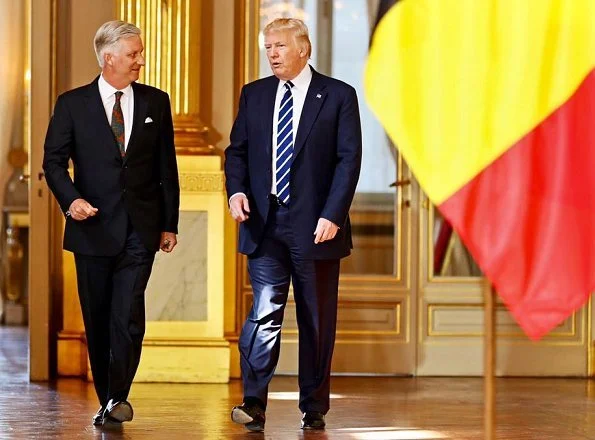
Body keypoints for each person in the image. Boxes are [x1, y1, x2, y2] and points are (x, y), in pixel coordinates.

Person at [225, 17, 362, 432]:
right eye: (268, 47)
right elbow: (237, 152)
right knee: (264, 314)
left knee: (316, 318)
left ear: (303, 49)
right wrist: (236, 191)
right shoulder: (255, 95)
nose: (272, 54)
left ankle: (314, 405)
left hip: (317, 226)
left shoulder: (338, 96)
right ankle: (254, 402)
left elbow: (348, 161)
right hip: (265, 225)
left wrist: (333, 215)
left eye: (280, 46)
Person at [42, 20, 179, 427]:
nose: (140, 60)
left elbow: (165, 169)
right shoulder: (72, 104)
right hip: (93, 230)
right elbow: (52, 163)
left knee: (129, 317)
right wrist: (72, 201)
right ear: (108, 58)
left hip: (140, 230)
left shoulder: (157, 102)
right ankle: (108, 399)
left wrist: (168, 224)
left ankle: (119, 394)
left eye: (139, 53)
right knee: (98, 319)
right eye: (133, 54)